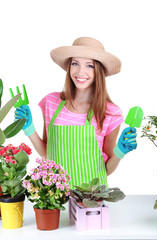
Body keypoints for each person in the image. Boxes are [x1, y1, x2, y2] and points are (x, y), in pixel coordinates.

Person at [15, 37, 137, 188]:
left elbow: (105, 170)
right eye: (75, 64)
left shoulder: (110, 113)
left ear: (98, 71)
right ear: (69, 67)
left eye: (89, 66)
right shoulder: (51, 103)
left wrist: (120, 151)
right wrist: (29, 129)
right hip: (56, 196)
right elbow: (49, 155)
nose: (80, 72)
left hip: (89, 198)